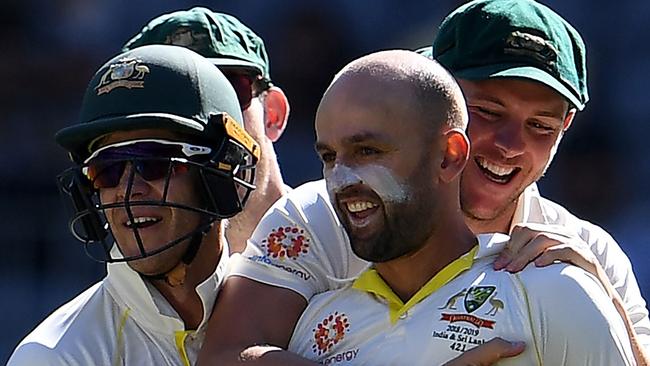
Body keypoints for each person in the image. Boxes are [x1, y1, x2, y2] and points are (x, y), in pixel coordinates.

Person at [197, 0, 649, 365]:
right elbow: (224, 356)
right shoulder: (320, 214)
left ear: (567, 125)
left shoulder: (585, 255)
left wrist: (599, 301)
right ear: (435, 99)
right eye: (489, 113)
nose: (511, 146)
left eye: (541, 126)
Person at [287, 48, 634, 365]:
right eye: (329, 157)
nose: (343, 178)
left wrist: (604, 303)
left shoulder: (560, 289)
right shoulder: (316, 317)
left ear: (450, 152)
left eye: (369, 151)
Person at [7, 44, 261, 365]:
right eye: (106, 170)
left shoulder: (296, 314)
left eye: (154, 161)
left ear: (223, 171)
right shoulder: (55, 356)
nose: (127, 190)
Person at [122, 7, 291, 253]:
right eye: (168, 106)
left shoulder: (350, 253)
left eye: (226, 91)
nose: (198, 123)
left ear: (273, 113)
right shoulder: (114, 292)